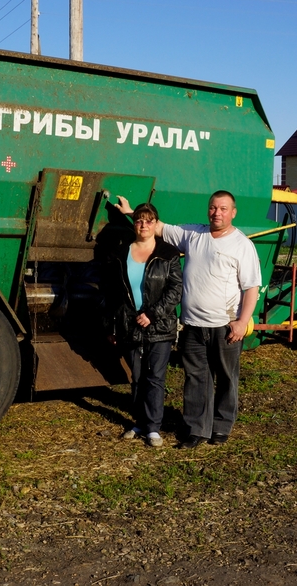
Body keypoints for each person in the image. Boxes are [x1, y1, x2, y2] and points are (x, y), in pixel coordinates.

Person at [115, 191, 261, 449]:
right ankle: (196, 429)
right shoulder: (193, 235)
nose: (217, 213)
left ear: (233, 212)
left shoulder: (242, 245)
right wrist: (130, 213)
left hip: (225, 325)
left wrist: (242, 322)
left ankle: (221, 426)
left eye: (223, 209)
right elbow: (156, 227)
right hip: (193, 324)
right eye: (213, 208)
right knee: (196, 378)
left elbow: (251, 288)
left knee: (226, 377)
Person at [102, 202, 183, 447]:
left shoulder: (168, 254)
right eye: (139, 220)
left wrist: (153, 314)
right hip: (130, 325)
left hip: (159, 327)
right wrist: (111, 326)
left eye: (149, 221)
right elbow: (111, 293)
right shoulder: (120, 253)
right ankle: (138, 422)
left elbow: (175, 289)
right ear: (134, 223)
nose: (144, 225)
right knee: (137, 377)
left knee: (155, 377)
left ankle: (153, 428)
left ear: (155, 223)